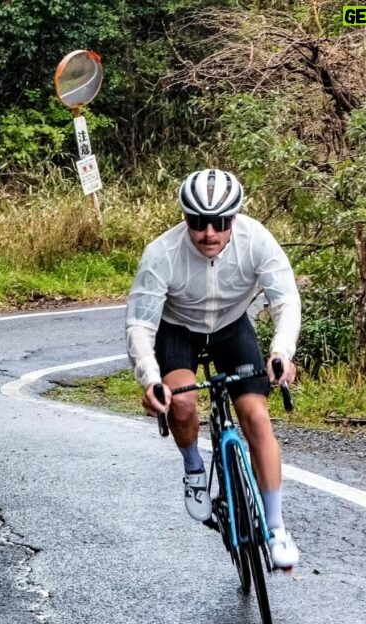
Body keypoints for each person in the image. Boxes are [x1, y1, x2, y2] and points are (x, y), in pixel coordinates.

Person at [126, 167, 300, 569]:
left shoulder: (256, 239)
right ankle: (193, 468)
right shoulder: (161, 253)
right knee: (183, 406)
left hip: (231, 327)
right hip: (178, 331)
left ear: (234, 218)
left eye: (220, 223)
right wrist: (152, 380)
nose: (209, 233)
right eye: (198, 222)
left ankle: (275, 527)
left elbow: (285, 300)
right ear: (185, 218)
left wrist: (281, 353)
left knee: (256, 417)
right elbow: (140, 323)